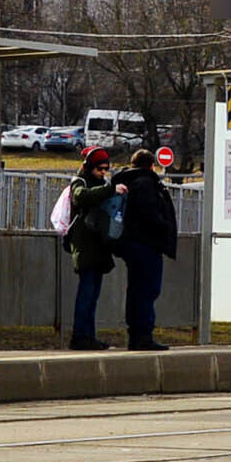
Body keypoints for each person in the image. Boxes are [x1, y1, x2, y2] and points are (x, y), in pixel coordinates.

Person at [112, 148, 178, 352]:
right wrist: (164, 226)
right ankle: (143, 335)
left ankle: (135, 335)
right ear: (151, 165)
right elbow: (149, 214)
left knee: (136, 291)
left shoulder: (127, 181)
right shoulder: (146, 183)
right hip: (146, 244)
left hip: (131, 244)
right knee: (147, 291)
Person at [63, 149, 118, 351]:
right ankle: (80, 336)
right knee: (86, 293)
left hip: (98, 245)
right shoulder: (80, 182)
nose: (103, 172)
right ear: (89, 167)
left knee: (93, 294)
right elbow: (81, 197)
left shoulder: (101, 184)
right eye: (100, 168)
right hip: (85, 245)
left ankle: (89, 336)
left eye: (106, 169)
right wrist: (110, 190)